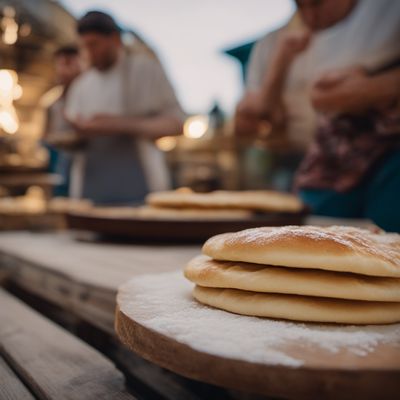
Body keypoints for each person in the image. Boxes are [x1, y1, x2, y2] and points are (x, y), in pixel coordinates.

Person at [234, 0, 400, 187]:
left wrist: (369, 88)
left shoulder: (387, 13)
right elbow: (254, 121)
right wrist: (282, 59)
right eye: (300, 6)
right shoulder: (272, 43)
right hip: (309, 167)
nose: (310, 16)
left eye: (318, 3)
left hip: (384, 157)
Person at [65, 11, 185, 204]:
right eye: (83, 46)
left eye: (94, 45)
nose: (88, 53)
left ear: (115, 39)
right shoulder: (81, 85)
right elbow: (71, 135)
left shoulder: (145, 70)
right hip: (91, 189)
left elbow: (176, 124)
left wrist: (119, 125)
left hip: (140, 188)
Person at [296, 66, 400, 232]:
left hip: (393, 153)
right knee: (321, 231)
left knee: (389, 231)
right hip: (332, 162)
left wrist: (373, 88)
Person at [44, 45, 82, 196]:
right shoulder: (51, 102)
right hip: (58, 163)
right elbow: (45, 135)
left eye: (68, 63)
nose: (64, 70)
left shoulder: (89, 97)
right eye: (60, 64)